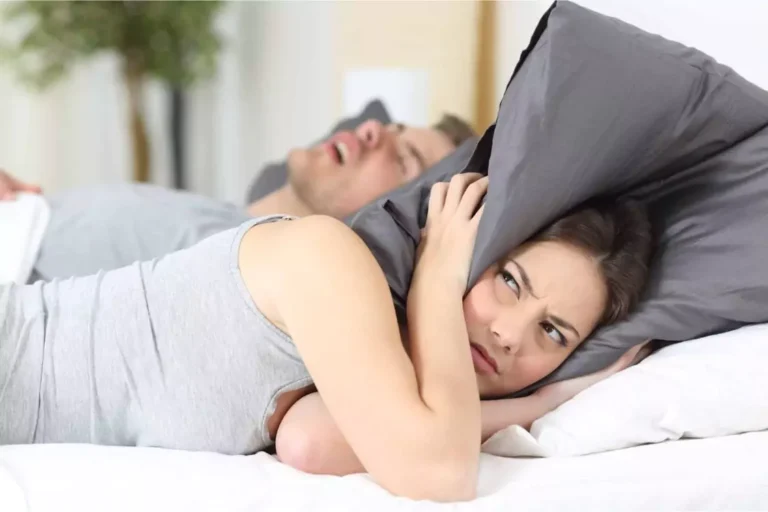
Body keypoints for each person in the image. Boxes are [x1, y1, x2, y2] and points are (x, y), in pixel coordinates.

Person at [0, 173, 653, 502]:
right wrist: (435, 280)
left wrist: (542, 403)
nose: (510, 333)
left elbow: (311, 444)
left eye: (553, 330)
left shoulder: (365, 382)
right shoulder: (327, 255)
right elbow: (441, 472)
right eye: (509, 280)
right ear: (469, 246)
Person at [0, 114, 476, 282]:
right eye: (388, 126)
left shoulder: (245, 270)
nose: (373, 129)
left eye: (405, 158)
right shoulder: (218, 213)